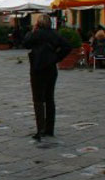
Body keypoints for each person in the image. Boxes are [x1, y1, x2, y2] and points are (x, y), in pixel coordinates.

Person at [22, 14, 71, 142]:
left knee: (38, 100)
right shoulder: (54, 34)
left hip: (37, 69)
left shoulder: (35, 34)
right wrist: (56, 57)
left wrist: (32, 30)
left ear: (38, 23)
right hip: (51, 69)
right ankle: (50, 129)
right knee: (50, 98)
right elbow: (67, 46)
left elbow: (25, 43)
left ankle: (40, 129)